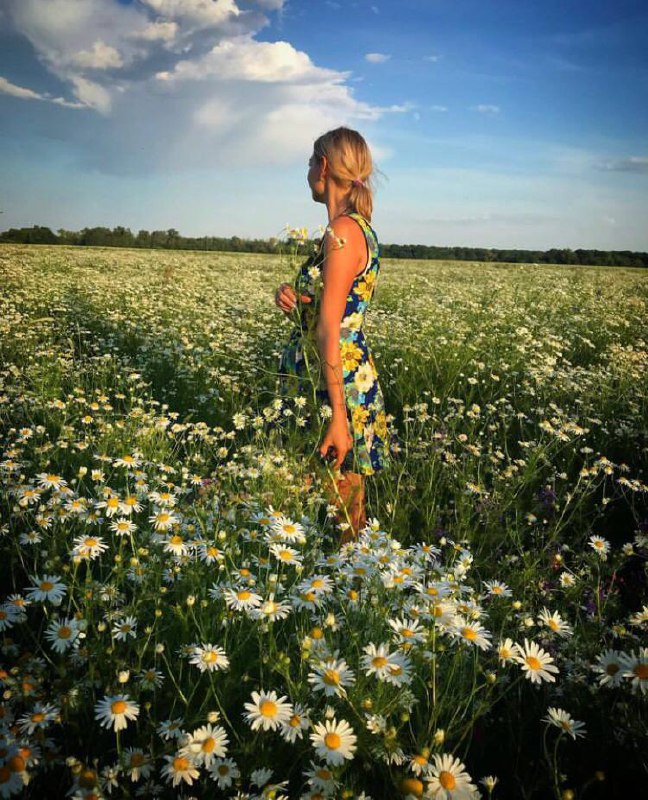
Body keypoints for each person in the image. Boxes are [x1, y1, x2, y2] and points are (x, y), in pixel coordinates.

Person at [274, 126, 395, 543]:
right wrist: (294, 299)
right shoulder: (348, 229)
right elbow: (328, 313)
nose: (307, 170)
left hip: (334, 384)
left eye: (311, 161)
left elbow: (331, 326)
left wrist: (338, 419)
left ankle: (351, 577)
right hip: (329, 375)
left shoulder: (342, 233)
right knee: (323, 508)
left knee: (344, 517)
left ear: (323, 167)